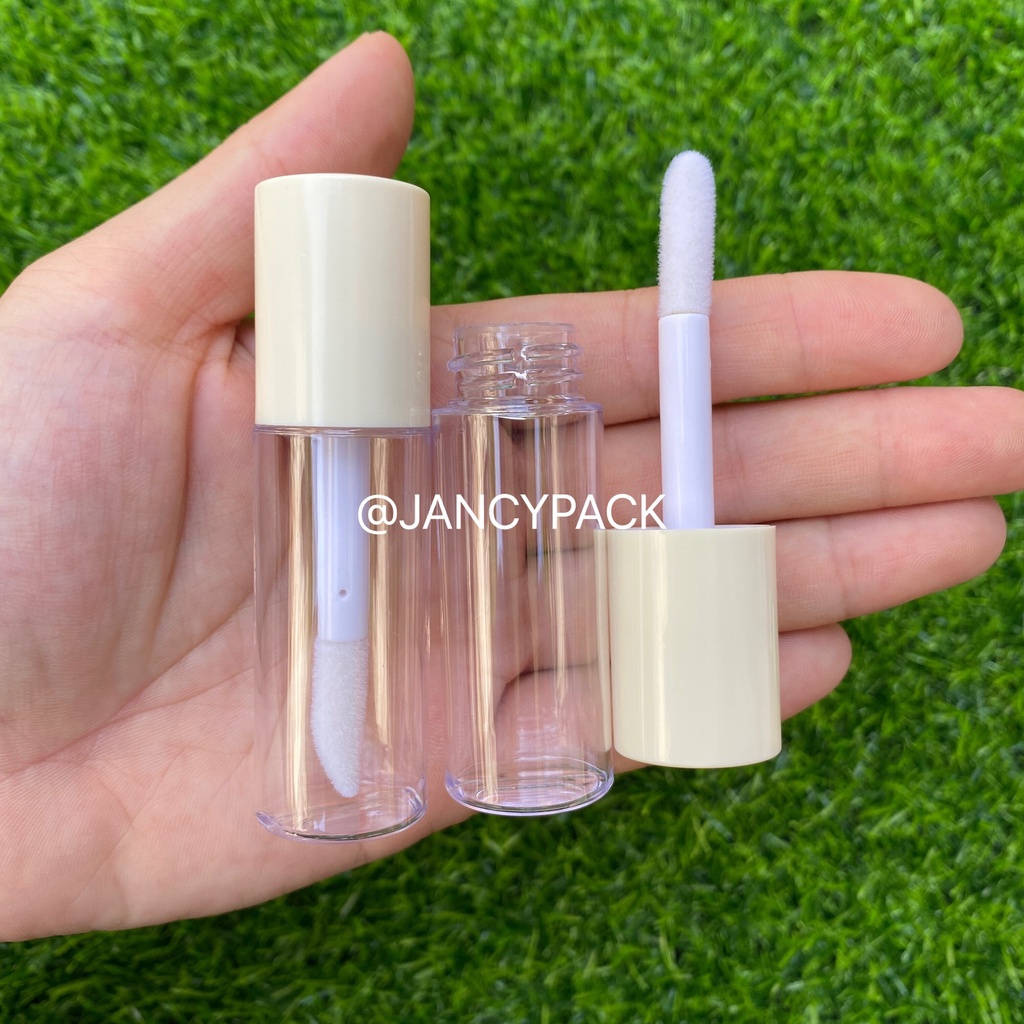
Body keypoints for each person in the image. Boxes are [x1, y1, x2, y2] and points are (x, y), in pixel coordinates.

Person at [1, 32, 1021, 942]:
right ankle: (363, 772)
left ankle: (402, 764)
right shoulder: (369, 426)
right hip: (326, 507)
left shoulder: (487, 428)